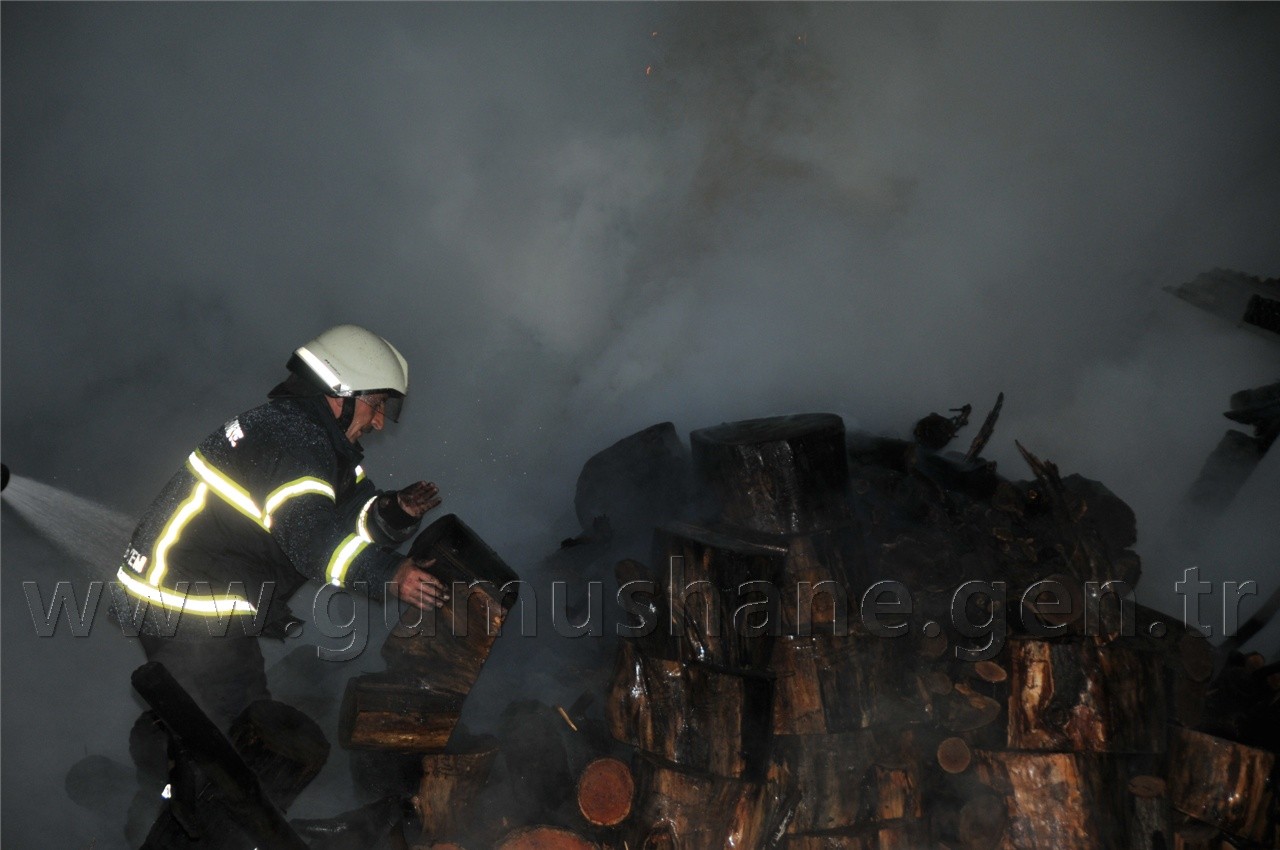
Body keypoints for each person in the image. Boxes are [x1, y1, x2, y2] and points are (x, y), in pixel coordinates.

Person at [113, 324, 446, 843]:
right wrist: (390, 575)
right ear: (340, 392)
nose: (380, 422)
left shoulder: (310, 439)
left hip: (203, 606)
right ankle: (184, 825)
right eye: (376, 404)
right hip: (188, 607)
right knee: (239, 747)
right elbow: (312, 539)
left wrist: (394, 512)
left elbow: (349, 519)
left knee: (240, 741)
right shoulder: (293, 439)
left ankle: (182, 797)